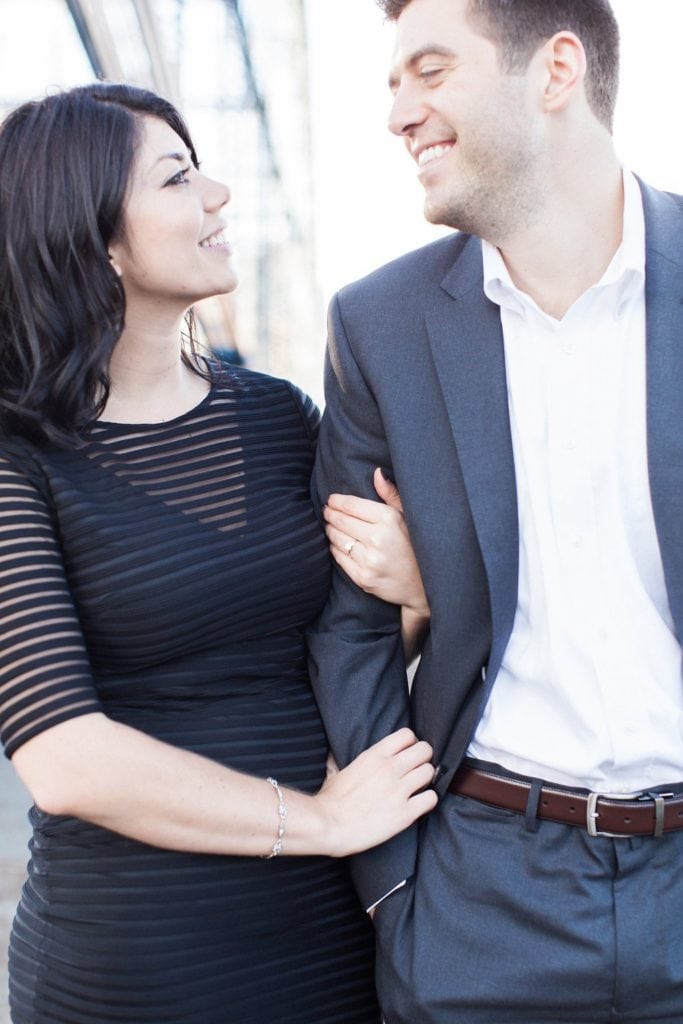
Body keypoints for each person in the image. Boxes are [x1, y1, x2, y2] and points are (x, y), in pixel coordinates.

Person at [0, 82, 438, 1024]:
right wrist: (317, 819)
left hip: (333, 942)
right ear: (97, 239)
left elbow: (342, 642)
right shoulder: (17, 461)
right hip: (138, 967)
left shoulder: (280, 417)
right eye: (179, 178)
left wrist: (417, 593)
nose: (220, 196)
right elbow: (65, 758)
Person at [308, 1, 683, 1021]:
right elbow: (347, 632)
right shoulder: (376, 325)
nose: (397, 114)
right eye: (390, 83)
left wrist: (439, 579)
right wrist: (398, 891)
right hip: (480, 904)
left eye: (428, 71)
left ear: (553, 70)